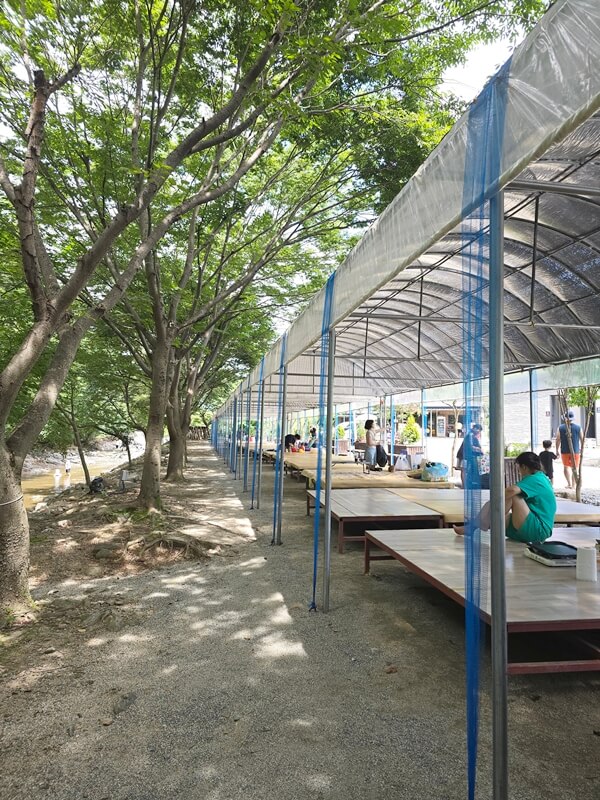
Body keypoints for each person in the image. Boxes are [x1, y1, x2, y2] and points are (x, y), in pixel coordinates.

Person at [454, 451, 556, 543]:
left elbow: (512, 491)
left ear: (524, 467)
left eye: (519, 468)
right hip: (537, 527)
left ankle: (474, 525)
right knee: (496, 520)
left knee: (513, 496)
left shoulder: (536, 479)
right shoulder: (541, 477)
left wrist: (491, 503)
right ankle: (476, 524)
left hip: (539, 529)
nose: (519, 472)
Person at [555, 411, 583, 489]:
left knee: (566, 467)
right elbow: (582, 439)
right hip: (576, 451)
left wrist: (557, 450)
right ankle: (573, 485)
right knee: (574, 468)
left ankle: (569, 484)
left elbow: (558, 439)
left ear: (565, 418)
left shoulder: (560, 428)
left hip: (564, 451)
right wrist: (581, 449)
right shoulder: (578, 427)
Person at [456, 423, 483, 489]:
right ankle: (464, 485)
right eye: (478, 430)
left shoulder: (472, 436)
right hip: (463, 456)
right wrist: (478, 449)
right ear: (475, 429)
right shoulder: (470, 436)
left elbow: (478, 447)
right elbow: (471, 447)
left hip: (466, 456)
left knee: (465, 470)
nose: (478, 432)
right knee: (464, 470)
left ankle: (465, 485)